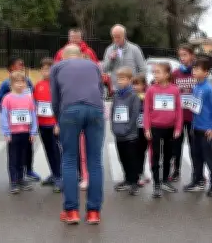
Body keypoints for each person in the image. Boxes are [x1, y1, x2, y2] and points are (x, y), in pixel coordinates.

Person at [51, 44, 105, 225]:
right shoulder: (94, 66)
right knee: (95, 161)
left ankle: (71, 211)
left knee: (69, 159)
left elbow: (55, 97)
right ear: (80, 55)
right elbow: (101, 91)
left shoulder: (58, 67)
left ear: (63, 56)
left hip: (70, 111)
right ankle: (93, 212)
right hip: (95, 110)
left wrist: (58, 120)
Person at [0, 56, 39, 182]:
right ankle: (16, 178)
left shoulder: (28, 81)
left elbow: (33, 97)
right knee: (15, 152)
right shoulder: (6, 83)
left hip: (27, 122)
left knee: (28, 148)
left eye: (23, 64)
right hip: (14, 126)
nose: (22, 66)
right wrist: (8, 115)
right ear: (11, 68)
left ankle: (29, 170)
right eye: (19, 64)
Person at [143, 62, 182, 198]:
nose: (155, 75)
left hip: (170, 128)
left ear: (167, 74)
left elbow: (178, 110)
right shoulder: (151, 90)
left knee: (168, 156)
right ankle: (156, 184)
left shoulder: (175, 90)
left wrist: (178, 127)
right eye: (154, 72)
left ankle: (165, 180)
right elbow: (146, 110)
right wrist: (147, 128)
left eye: (158, 72)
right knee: (155, 156)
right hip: (155, 128)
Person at [183, 58, 212, 197]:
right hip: (196, 128)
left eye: (198, 69)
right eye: (193, 69)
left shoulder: (208, 89)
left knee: (209, 157)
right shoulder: (196, 87)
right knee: (196, 156)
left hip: (206, 130)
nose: (194, 71)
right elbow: (195, 108)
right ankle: (197, 180)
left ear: (206, 72)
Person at [111, 67, 142, 196]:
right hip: (118, 133)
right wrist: (113, 127)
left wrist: (127, 128)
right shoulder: (117, 95)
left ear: (129, 80)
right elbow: (113, 112)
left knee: (131, 158)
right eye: (119, 79)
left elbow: (135, 114)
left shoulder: (133, 96)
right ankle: (127, 179)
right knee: (122, 157)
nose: (120, 81)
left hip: (130, 134)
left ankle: (134, 181)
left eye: (123, 79)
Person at [33, 58, 62, 191]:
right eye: (44, 69)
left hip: (53, 125)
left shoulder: (58, 85)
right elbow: (34, 105)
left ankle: (60, 177)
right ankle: (54, 174)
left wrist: (58, 124)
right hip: (42, 124)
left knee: (56, 151)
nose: (46, 71)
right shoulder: (38, 85)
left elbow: (61, 106)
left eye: (49, 69)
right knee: (48, 150)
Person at [170, 44, 196, 183]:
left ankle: (197, 172)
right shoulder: (175, 74)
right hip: (179, 117)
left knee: (194, 146)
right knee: (176, 146)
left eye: (185, 55)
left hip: (193, 116)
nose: (182, 58)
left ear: (192, 55)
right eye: (180, 55)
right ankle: (176, 171)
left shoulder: (196, 72)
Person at [101, 25, 145, 91]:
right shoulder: (109, 49)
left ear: (124, 36)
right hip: (116, 89)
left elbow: (143, 69)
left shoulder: (135, 49)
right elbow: (104, 69)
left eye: (118, 37)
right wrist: (110, 59)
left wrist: (138, 84)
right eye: (114, 37)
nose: (116, 40)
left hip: (132, 89)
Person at [131, 74, 150, 187]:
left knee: (142, 151)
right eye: (133, 84)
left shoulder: (148, 95)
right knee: (134, 152)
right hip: (133, 129)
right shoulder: (130, 96)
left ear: (144, 85)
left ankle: (140, 172)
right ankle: (135, 175)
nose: (135, 87)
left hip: (144, 128)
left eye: (137, 84)